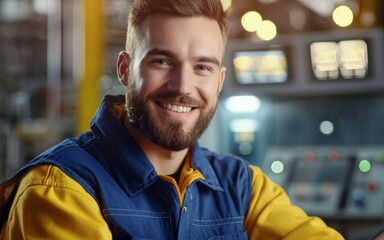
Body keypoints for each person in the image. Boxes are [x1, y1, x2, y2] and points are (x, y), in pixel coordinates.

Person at [0, 0, 344, 239]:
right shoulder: (59, 190)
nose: (183, 87)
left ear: (220, 81)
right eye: (162, 62)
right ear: (125, 69)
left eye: (202, 67)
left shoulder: (244, 187)